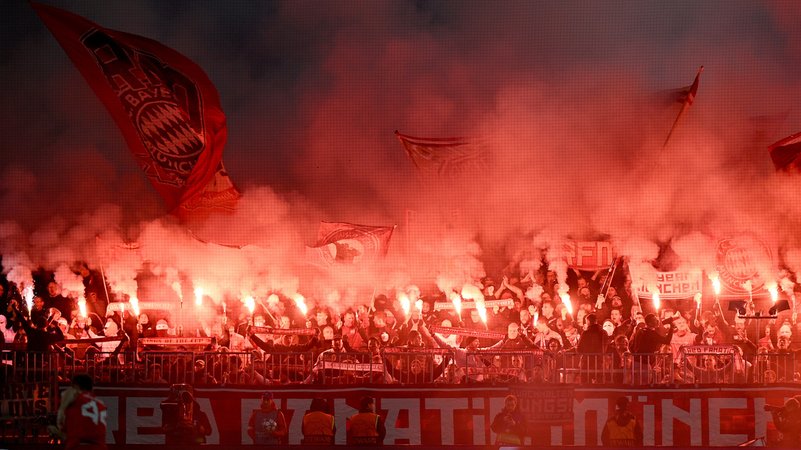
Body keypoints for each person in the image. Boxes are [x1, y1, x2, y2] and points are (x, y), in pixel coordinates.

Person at [49, 373, 107, 450]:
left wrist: (56, 431)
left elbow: (70, 437)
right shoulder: (100, 404)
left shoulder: (76, 401)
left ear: (76, 387)